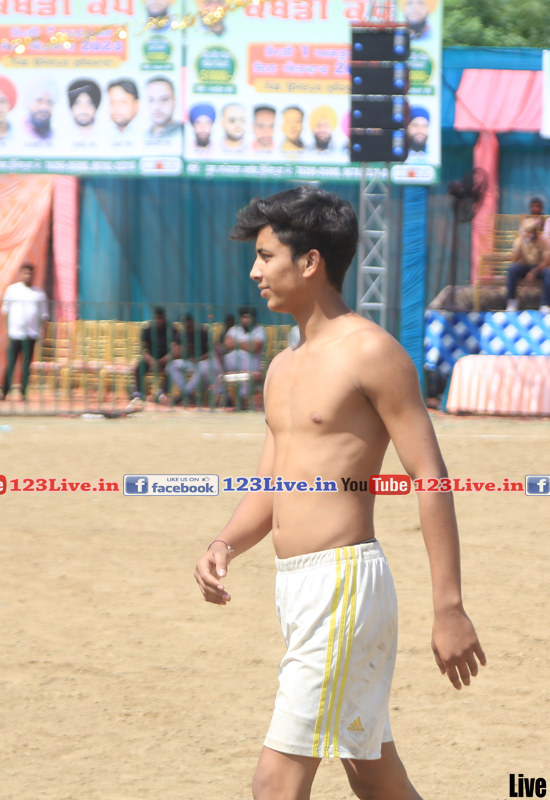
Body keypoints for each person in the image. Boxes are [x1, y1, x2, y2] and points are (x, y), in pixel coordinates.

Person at [193, 185, 485, 800]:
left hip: (343, 586)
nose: (254, 273)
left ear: (310, 261)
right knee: (373, 774)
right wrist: (224, 543)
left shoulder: (371, 352)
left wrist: (449, 606)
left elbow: (430, 478)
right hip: (296, 588)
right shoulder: (282, 367)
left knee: (274, 785)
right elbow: (270, 485)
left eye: (265, 256)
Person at [0, 263, 48, 401]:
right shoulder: (12, 290)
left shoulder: (39, 293)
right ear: (21, 274)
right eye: (25, 273)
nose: (28, 276)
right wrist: (6, 329)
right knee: (11, 363)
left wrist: (42, 332)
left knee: (27, 365)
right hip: (15, 334)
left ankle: (24, 393)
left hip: (31, 334)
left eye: (30, 273)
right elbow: (5, 311)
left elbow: (44, 315)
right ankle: (4, 392)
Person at [167, 313, 220, 404]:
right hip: (189, 363)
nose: (187, 328)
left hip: (203, 362)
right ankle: (188, 393)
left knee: (201, 366)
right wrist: (183, 349)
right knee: (170, 366)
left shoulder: (203, 332)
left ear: (193, 322)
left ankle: (184, 394)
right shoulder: (180, 335)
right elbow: (174, 353)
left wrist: (199, 358)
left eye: (189, 326)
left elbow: (212, 352)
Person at [505, 219, 550, 313]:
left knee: (549, 272)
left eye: (533, 231)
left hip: (538, 268)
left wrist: (534, 271)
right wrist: (520, 246)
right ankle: (512, 301)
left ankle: (545, 304)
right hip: (524, 266)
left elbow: (547, 261)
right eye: (529, 231)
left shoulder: (544, 240)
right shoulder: (520, 240)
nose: (531, 233)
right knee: (512, 268)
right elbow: (514, 260)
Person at [223, 306, 266, 400]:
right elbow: (227, 345)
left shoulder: (259, 330)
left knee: (246, 365)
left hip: (251, 364)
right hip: (231, 365)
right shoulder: (234, 329)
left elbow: (255, 347)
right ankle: (226, 396)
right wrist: (246, 344)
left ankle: (241, 397)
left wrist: (235, 343)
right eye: (244, 317)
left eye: (248, 317)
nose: (246, 320)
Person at [136, 306, 175, 403]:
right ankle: (139, 393)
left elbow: (174, 350)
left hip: (166, 359)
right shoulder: (147, 330)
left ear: (164, 318)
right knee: (139, 367)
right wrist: (151, 361)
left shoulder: (172, 330)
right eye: (156, 318)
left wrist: (161, 362)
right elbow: (143, 350)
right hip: (151, 360)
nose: (158, 321)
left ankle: (162, 392)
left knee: (172, 368)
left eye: (160, 318)